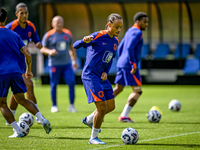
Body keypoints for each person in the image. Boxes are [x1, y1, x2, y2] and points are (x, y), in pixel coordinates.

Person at [0, 7, 52, 138]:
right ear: (5, 19)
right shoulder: (14, 34)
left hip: (2, 73)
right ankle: (42, 119)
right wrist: (28, 70)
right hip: (17, 71)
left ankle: (18, 131)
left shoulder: (24, 28)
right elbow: (28, 54)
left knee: (2, 103)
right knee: (21, 99)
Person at [73, 13, 123, 144]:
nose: (119, 30)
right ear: (109, 25)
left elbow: (109, 59)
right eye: (116, 27)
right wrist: (83, 41)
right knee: (101, 107)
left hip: (102, 76)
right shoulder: (98, 35)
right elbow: (75, 45)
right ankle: (93, 137)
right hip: (90, 76)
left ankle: (89, 120)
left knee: (110, 106)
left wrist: (106, 71)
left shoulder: (115, 41)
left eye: (120, 27)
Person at [5, 2, 43, 124]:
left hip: (22, 61)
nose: (25, 15)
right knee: (29, 84)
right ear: (16, 14)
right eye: (22, 13)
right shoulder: (10, 27)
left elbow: (36, 40)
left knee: (18, 91)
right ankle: (38, 115)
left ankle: (10, 116)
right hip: (12, 61)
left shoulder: (31, 26)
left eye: (26, 12)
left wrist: (39, 44)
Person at [113, 12, 148, 123]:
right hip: (130, 65)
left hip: (121, 63)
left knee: (118, 89)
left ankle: (99, 110)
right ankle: (124, 115)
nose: (146, 24)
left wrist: (121, 60)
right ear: (138, 22)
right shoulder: (138, 32)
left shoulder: (129, 31)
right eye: (144, 22)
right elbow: (129, 47)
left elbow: (121, 47)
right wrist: (133, 63)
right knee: (138, 91)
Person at [40, 16, 78, 113]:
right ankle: (54, 105)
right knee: (54, 84)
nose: (59, 24)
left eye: (61, 22)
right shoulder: (49, 35)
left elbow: (71, 48)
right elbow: (42, 48)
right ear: (52, 24)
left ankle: (72, 105)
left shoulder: (68, 34)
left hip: (67, 64)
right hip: (54, 64)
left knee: (72, 82)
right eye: (57, 22)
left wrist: (74, 61)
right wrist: (49, 51)